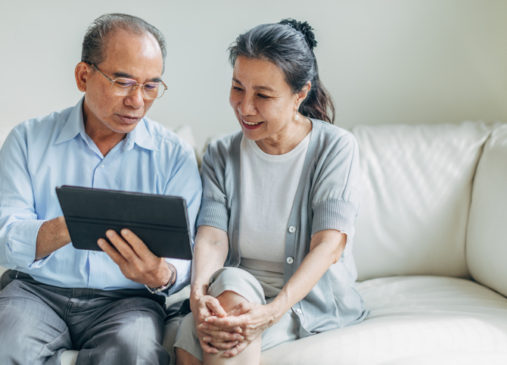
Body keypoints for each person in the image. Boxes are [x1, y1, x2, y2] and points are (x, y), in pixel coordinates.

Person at [0, 13, 201, 365]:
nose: (137, 100)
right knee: (8, 346)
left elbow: (187, 253)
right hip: (35, 292)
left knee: (135, 353)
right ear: (83, 76)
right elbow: (4, 237)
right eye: (123, 82)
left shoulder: (174, 156)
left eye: (151, 86)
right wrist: (72, 224)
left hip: (128, 301)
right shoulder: (27, 140)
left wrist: (162, 274)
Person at [174, 19, 367, 365]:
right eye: (237, 88)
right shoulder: (221, 152)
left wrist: (272, 312)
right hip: (232, 288)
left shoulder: (335, 148)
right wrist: (198, 295)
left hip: (305, 301)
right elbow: (212, 238)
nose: (245, 107)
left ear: (300, 94)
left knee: (200, 337)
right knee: (211, 313)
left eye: (263, 95)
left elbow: (328, 247)